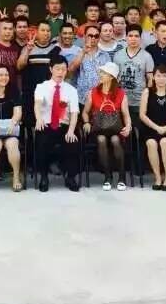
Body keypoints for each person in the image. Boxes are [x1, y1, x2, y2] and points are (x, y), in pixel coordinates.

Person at [82, 62, 132, 191]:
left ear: (111, 77)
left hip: (115, 128)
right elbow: (85, 112)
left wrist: (128, 126)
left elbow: (126, 114)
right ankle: (107, 176)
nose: (100, 75)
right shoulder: (93, 92)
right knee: (101, 139)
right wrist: (86, 122)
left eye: (103, 73)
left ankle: (121, 176)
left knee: (115, 140)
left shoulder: (121, 93)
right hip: (99, 128)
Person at [33, 56, 80, 192]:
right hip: (46, 124)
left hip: (64, 126)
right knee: (42, 142)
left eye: (63, 69)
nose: (60, 72)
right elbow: (37, 104)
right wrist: (39, 118)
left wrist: (71, 130)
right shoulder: (42, 87)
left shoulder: (71, 90)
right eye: (57, 69)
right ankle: (44, 177)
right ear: (51, 69)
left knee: (72, 142)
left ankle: (70, 177)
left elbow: (74, 113)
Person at [139, 65, 166, 191]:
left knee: (164, 142)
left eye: (164, 76)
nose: (161, 79)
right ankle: (157, 178)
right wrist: (156, 128)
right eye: (158, 76)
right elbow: (142, 115)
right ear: (153, 77)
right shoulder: (147, 92)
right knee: (151, 143)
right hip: (151, 128)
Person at [17, 21, 61, 126]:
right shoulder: (28, 47)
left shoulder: (56, 49)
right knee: (30, 123)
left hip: (49, 94)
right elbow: (19, 66)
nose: (46, 33)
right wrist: (28, 51)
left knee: (47, 124)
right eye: (43, 30)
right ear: (36, 32)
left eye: (48, 31)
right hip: (30, 93)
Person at [114, 24, 154, 125]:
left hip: (139, 101)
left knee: (137, 128)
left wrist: (147, 97)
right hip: (121, 99)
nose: (133, 39)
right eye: (130, 36)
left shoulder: (147, 56)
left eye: (136, 36)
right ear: (126, 37)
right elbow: (114, 78)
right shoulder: (118, 55)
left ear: (140, 38)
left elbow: (150, 79)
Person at [75, 24, 112, 107]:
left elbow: (109, 77)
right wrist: (83, 52)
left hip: (100, 99)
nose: (93, 38)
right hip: (82, 98)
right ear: (84, 37)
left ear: (99, 38)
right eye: (90, 35)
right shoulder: (78, 52)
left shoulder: (105, 55)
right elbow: (71, 69)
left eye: (96, 36)